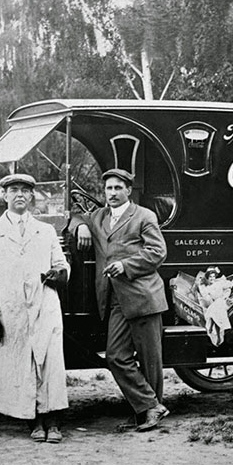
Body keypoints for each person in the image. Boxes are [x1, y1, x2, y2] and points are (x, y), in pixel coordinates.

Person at [0, 173, 70, 443]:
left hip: (45, 303)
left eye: (25, 191)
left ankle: (54, 421)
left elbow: (62, 264)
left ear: (32, 196)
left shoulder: (45, 230)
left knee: (49, 361)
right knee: (23, 363)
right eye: (14, 190)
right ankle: (34, 422)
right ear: (4, 195)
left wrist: (58, 273)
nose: (20, 196)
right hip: (12, 308)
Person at [69, 168, 169, 432]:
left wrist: (127, 265)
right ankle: (150, 406)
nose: (111, 194)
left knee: (150, 360)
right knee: (115, 356)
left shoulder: (144, 216)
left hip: (143, 295)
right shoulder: (99, 216)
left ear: (128, 190)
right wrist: (80, 225)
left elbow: (158, 252)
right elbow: (76, 215)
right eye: (107, 189)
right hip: (114, 299)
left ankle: (146, 413)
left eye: (116, 188)